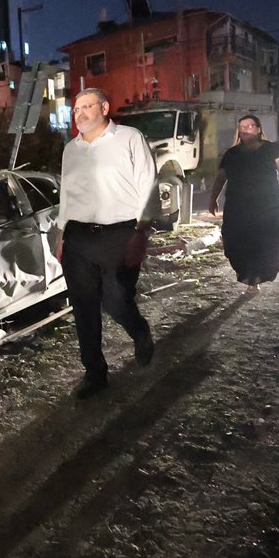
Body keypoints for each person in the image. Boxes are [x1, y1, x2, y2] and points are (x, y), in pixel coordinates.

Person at [57, 88, 158, 398]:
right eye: (76, 110)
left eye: (87, 107)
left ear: (104, 107)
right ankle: (95, 373)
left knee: (116, 299)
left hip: (120, 233)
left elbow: (148, 181)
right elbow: (67, 195)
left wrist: (140, 231)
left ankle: (139, 331)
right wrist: (61, 234)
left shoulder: (129, 137)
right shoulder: (71, 149)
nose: (80, 114)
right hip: (78, 236)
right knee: (83, 308)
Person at [207, 114, 279, 294]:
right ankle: (249, 275)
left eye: (250, 126)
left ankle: (256, 277)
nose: (246, 129)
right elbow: (221, 177)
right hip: (238, 207)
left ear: (259, 129)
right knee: (235, 242)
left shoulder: (273, 149)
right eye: (242, 126)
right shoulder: (232, 154)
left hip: (267, 205)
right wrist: (213, 199)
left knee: (265, 242)